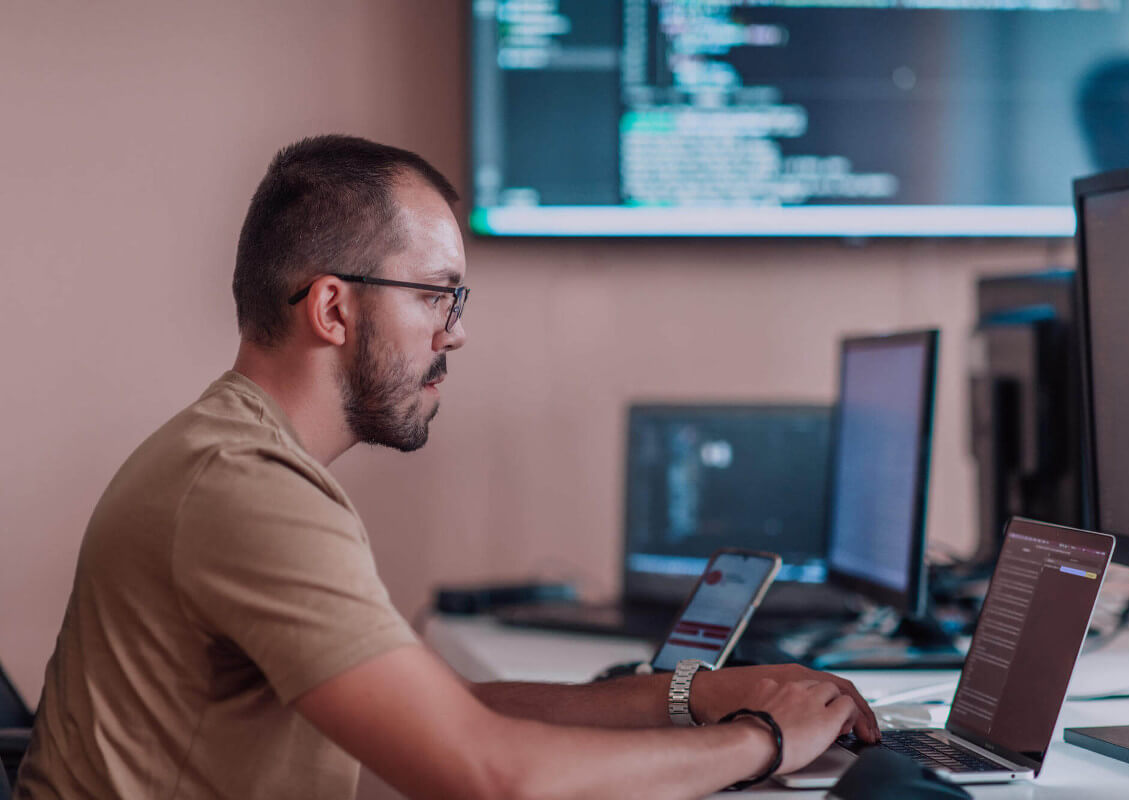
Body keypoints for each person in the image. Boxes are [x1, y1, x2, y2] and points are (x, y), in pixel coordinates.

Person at [15, 135, 879, 800]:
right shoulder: (244, 487)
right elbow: (483, 772)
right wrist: (765, 739)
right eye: (436, 294)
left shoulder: (237, 456)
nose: (454, 330)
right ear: (332, 308)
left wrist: (695, 695)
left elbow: (449, 712)